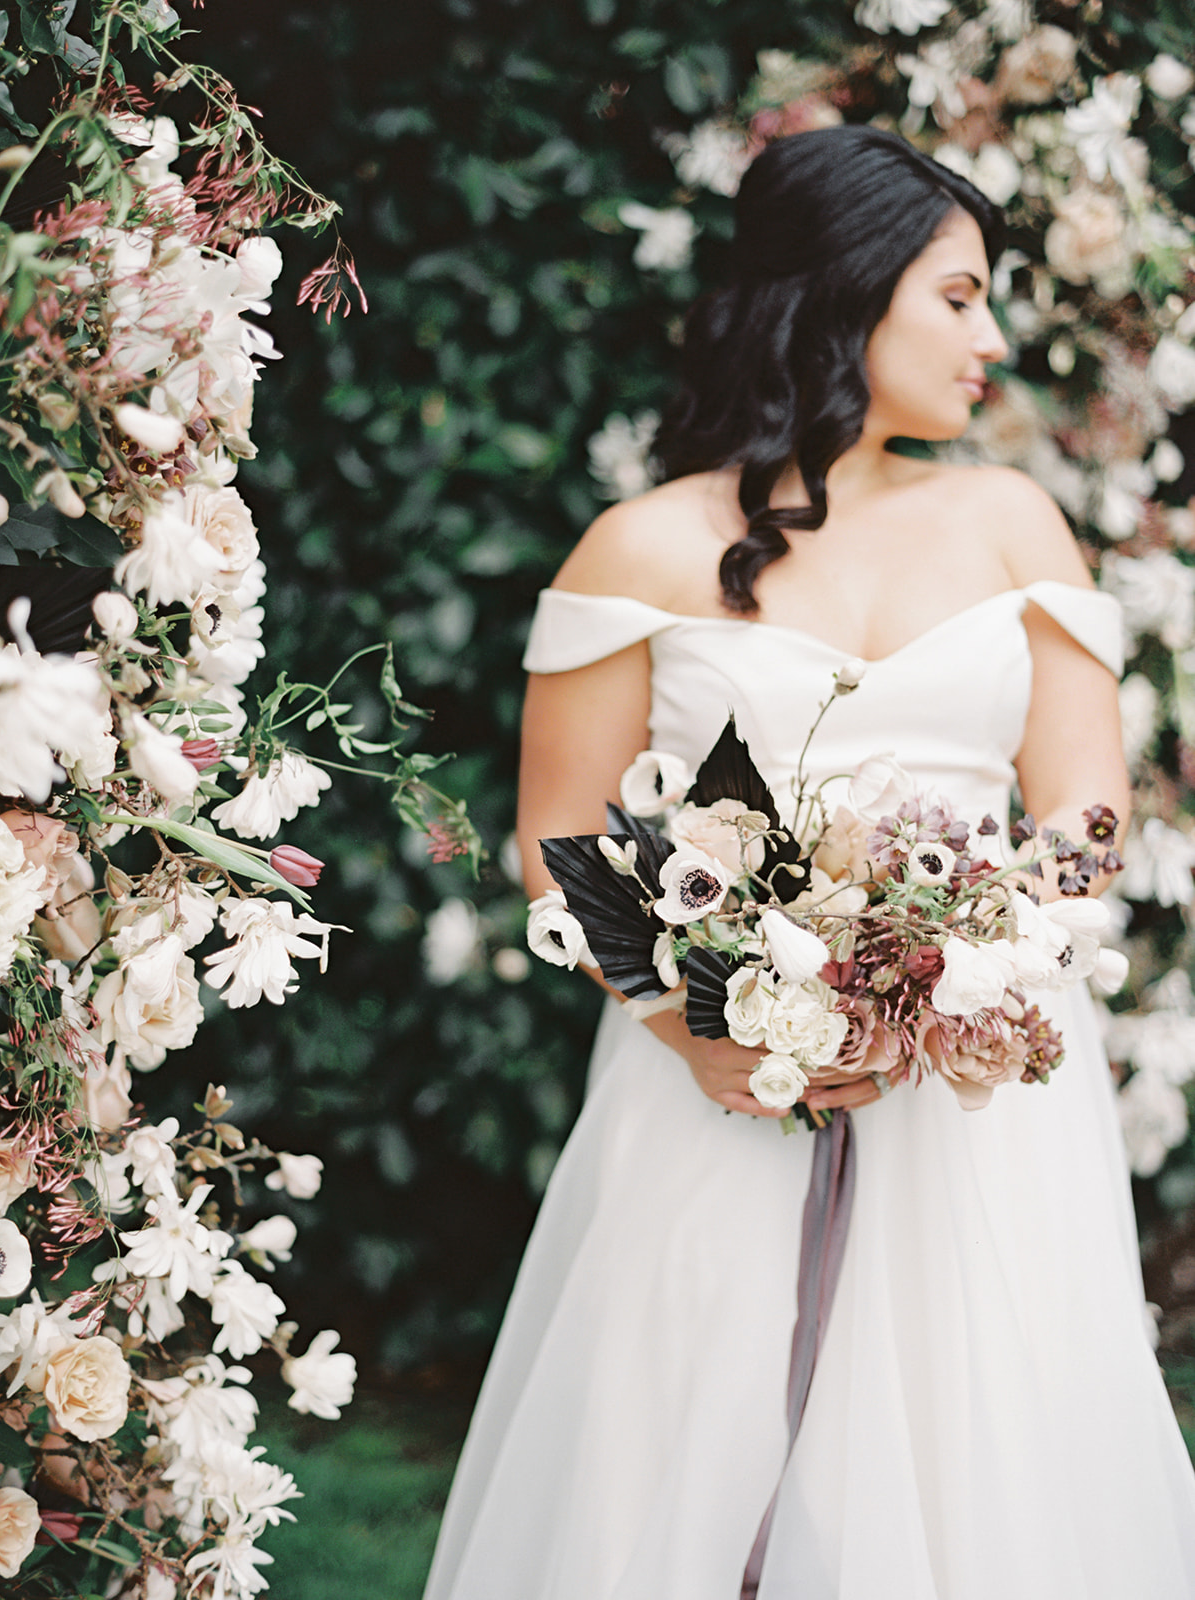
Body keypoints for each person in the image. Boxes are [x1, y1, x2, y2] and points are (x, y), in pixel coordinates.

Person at [423, 125, 1195, 1600]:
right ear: (851, 292)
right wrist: (693, 1026)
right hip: (714, 1090)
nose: (993, 338)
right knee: (678, 1462)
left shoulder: (1009, 522)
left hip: (981, 1101)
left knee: (994, 1472)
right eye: (958, 297)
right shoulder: (640, 548)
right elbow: (556, 835)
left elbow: (1088, 813)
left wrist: (965, 959)